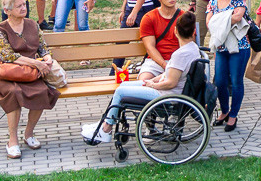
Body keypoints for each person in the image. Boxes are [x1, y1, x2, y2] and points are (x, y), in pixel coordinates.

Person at [82, 12, 202, 146]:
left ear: (175, 31)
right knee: (123, 86)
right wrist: (153, 81)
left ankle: (106, 128)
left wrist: (153, 85)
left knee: (120, 92)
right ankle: (105, 123)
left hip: (166, 95)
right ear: (193, 31)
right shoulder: (193, 49)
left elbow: (171, 83)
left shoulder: (181, 55)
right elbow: (167, 75)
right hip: (167, 91)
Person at [0, 0, 60, 159]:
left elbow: (43, 47)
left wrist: (47, 59)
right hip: (5, 73)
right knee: (13, 93)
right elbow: (8, 56)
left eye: (24, 5)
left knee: (42, 91)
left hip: (29, 73)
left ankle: (29, 134)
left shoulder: (33, 25)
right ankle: (12, 141)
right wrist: (36, 63)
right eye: (18, 6)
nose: (23, 8)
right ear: (7, 11)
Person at [207, 0, 250, 132]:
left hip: (239, 47)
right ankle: (224, 110)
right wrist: (227, 18)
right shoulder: (213, 2)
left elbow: (238, 17)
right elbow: (209, 23)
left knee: (236, 81)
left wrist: (218, 19)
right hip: (221, 47)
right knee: (220, 81)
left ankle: (233, 114)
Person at [139, 0, 186, 78]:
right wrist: (165, 66)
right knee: (144, 80)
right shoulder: (149, 18)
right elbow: (150, 47)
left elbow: (188, 45)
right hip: (156, 61)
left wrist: (174, 66)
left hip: (179, 61)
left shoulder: (184, 17)